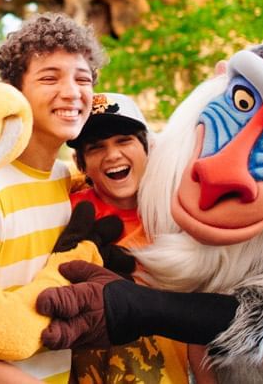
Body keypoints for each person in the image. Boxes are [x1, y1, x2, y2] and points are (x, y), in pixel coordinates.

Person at [0, 12, 107, 383]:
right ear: (14, 94)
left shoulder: (71, 184)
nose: (71, 92)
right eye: (50, 78)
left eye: (83, 79)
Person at [66, 92, 200, 384]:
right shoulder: (67, 212)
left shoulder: (178, 214)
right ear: (82, 165)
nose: (112, 154)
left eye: (123, 140)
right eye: (96, 147)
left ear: (148, 147)